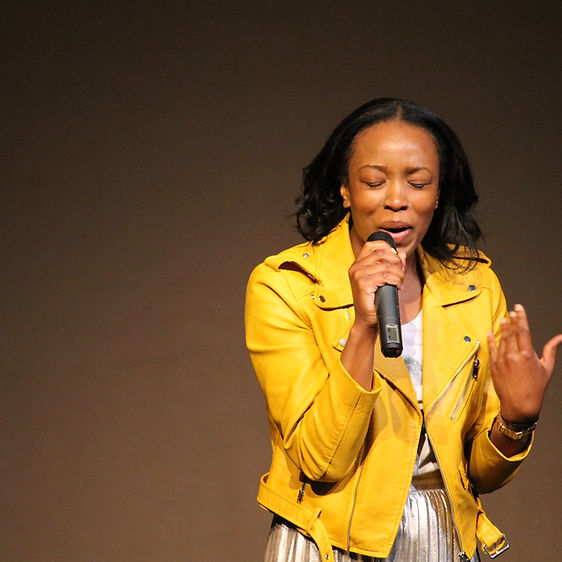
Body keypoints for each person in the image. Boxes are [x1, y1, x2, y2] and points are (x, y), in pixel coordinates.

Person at [245, 98, 561, 562]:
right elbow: (322, 461)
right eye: (374, 181)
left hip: (442, 532)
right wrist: (362, 331)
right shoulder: (287, 286)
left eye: (417, 182)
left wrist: (517, 419)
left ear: (437, 194)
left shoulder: (473, 286)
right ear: (346, 190)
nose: (397, 198)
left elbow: (481, 474)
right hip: (329, 540)